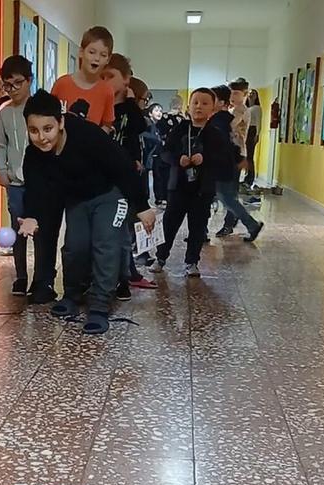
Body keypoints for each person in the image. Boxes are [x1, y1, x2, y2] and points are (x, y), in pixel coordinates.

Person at [17, 90, 156, 335]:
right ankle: (72, 294)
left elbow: (122, 166)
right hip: (77, 199)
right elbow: (36, 189)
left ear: (60, 122)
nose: (42, 137)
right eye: (34, 131)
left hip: (110, 194)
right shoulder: (34, 154)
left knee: (106, 244)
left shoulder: (87, 135)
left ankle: (100, 305)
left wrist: (142, 206)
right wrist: (31, 216)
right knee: (75, 247)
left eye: (48, 129)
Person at [0, 55, 56, 301]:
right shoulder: (4, 114)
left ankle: (42, 279)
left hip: (40, 182)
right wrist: (2, 170)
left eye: (17, 83)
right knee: (18, 230)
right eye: (7, 85)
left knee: (41, 230)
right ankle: (21, 276)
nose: (12, 89)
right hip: (16, 183)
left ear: (29, 81)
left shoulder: (38, 110)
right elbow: (0, 145)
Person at [150, 88, 228, 278]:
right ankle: (160, 258)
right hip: (178, 186)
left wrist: (205, 158)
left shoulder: (215, 134)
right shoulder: (179, 129)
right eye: (195, 103)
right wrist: (179, 159)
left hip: (203, 189)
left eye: (205, 103)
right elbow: (165, 153)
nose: (199, 107)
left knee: (197, 227)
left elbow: (223, 159)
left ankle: (192, 262)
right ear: (188, 106)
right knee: (169, 224)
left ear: (212, 109)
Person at [101, 54, 157, 299]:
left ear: (125, 81)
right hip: (105, 175)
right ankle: (118, 274)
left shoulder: (129, 110)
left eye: (110, 76)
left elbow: (139, 127)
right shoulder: (101, 104)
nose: (105, 81)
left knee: (124, 229)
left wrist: (132, 101)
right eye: (102, 76)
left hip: (127, 176)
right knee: (109, 231)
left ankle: (126, 276)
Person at [210, 85, 265, 242]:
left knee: (226, 196)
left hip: (230, 159)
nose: (233, 96)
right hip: (233, 157)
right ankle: (238, 224)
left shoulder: (235, 114)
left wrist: (239, 158)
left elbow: (228, 141)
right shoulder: (228, 115)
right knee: (227, 195)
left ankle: (248, 224)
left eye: (236, 93)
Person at [51, 26, 115, 131]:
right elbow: (48, 117)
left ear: (108, 59)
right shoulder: (61, 84)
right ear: (81, 52)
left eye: (103, 55)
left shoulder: (107, 91)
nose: (97, 58)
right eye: (92, 52)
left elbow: (106, 125)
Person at [244, 88, 263, 190]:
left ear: (256, 96)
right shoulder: (245, 108)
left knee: (249, 156)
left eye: (253, 93)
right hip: (244, 131)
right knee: (244, 156)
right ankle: (246, 177)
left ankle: (250, 179)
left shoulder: (257, 108)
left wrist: (257, 134)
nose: (251, 95)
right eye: (250, 93)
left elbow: (259, 122)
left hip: (252, 131)